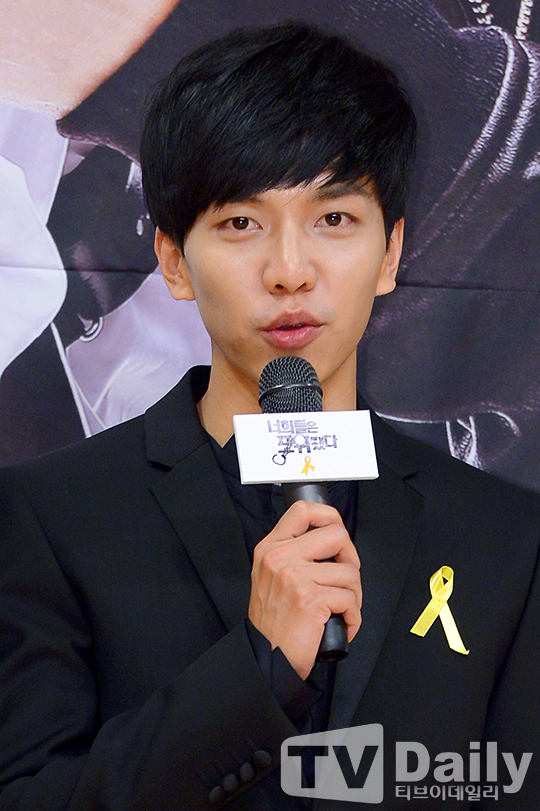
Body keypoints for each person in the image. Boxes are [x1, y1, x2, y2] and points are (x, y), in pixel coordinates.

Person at [0, 22, 539, 810]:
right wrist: (258, 672)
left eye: (334, 220)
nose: (290, 272)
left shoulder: (501, 536)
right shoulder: (49, 517)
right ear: (174, 259)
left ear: (391, 254)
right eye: (241, 223)